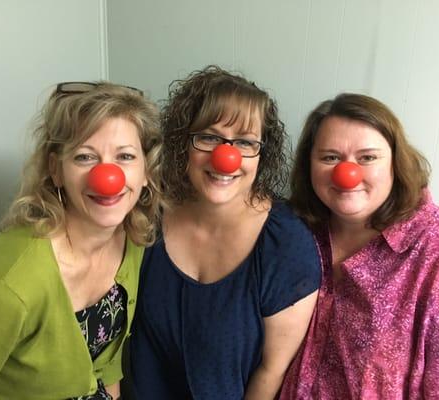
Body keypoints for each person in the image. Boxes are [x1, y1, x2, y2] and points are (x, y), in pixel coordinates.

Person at [279, 93, 439, 399]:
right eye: (330, 157)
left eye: (367, 157)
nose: (347, 173)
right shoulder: (292, 234)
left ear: (396, 162)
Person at [129, 65, 321, 400]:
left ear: (262, 154)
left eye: (245, 142)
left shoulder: (285, 243)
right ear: (182, 142)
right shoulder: (150, 215)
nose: (226, 157)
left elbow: (272, 370)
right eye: (209, 137)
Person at [0, 81, 162, 400]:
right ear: (56, 170)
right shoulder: (5, 288)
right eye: (85, 157)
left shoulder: (132, 235)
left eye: (124, 156)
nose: (108, 178)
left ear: (146, 170)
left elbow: (106, 368)